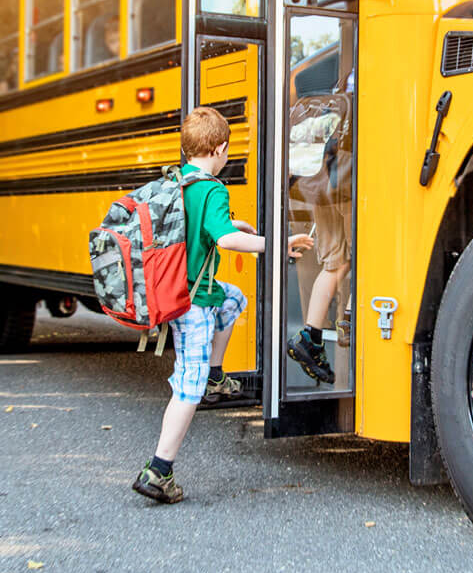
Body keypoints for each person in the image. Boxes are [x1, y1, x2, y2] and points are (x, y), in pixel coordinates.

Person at [132, 105, 313, 504]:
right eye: (228, 150)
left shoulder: (179, 180)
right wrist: (274, 245)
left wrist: (237, 225)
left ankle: (216, 374)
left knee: (233, 299)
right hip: (191, 305)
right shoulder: (213, 187)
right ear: (219, 149)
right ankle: (158, 470)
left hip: (184, 292)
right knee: (187, 389)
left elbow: (212, 228)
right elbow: (225, 241)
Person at [286, 72, 353, 383]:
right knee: (355, 258)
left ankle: (311, 336)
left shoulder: (318, 100)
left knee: (333, 263)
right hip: (347, 188)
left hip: (319, 189)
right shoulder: (357, 88)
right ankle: (346, 324)